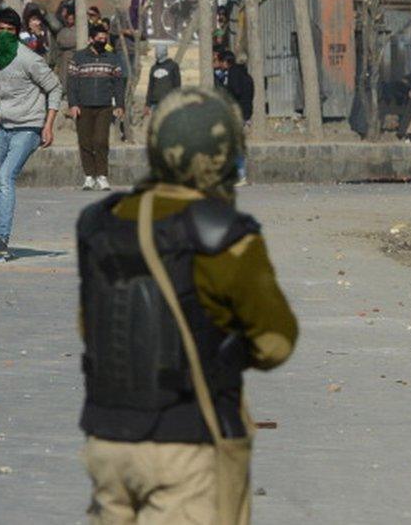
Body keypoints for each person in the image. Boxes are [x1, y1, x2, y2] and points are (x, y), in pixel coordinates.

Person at [77, 86, 298, 524]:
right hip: (187, 446)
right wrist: (223, 353)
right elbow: (275, 342)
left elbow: (90, 326)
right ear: (223, 154)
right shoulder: (225, 235)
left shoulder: (101, 222)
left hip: (107, 441)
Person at [0, 8, 61, 259]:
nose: (6, 34)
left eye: (11, 30)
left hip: (29, 127)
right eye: (1, 30)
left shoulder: (29, 59)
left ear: (17, 32)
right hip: (4, 127)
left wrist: (48, 125)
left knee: (5, 176)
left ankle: (1, 239)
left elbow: (54, 88)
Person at [68, 26, 126, 192]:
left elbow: (118, 84)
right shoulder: (78, 58)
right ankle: (89, 176)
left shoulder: (112, 58)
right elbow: (71, 83)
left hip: (104, 106)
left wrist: (120, 104)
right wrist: (73, 104)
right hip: (83, 106)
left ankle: (102, 175)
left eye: (104, 39)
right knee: (85, 141)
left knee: (100, 141)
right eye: (99, 39)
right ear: (91, 39)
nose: (102, 42)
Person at [215, 51, 254, 185]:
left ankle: (240, 175)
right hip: (245, 113)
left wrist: (226, 90)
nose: (220, 65)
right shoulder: (247, 75)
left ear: (226, 62)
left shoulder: (233, 73)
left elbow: (235, 91)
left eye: (221, 62)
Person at [145, 44, 181, 114]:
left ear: (165, 52)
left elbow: (177, 85)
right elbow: (150, 87)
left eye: (159, 51)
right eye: (156, 51)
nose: (157, 53)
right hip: (155, 103)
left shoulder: (173, 66)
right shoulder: (154, 68)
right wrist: (147, 104)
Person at [56, 11, 78, 90]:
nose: (70, 20)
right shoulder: (63, 30)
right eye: (68, 19)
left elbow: (75, 42)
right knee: (63, 76)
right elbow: (59, 41)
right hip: (63, 57)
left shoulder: (77, 30)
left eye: (72, 19)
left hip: (74, 55)